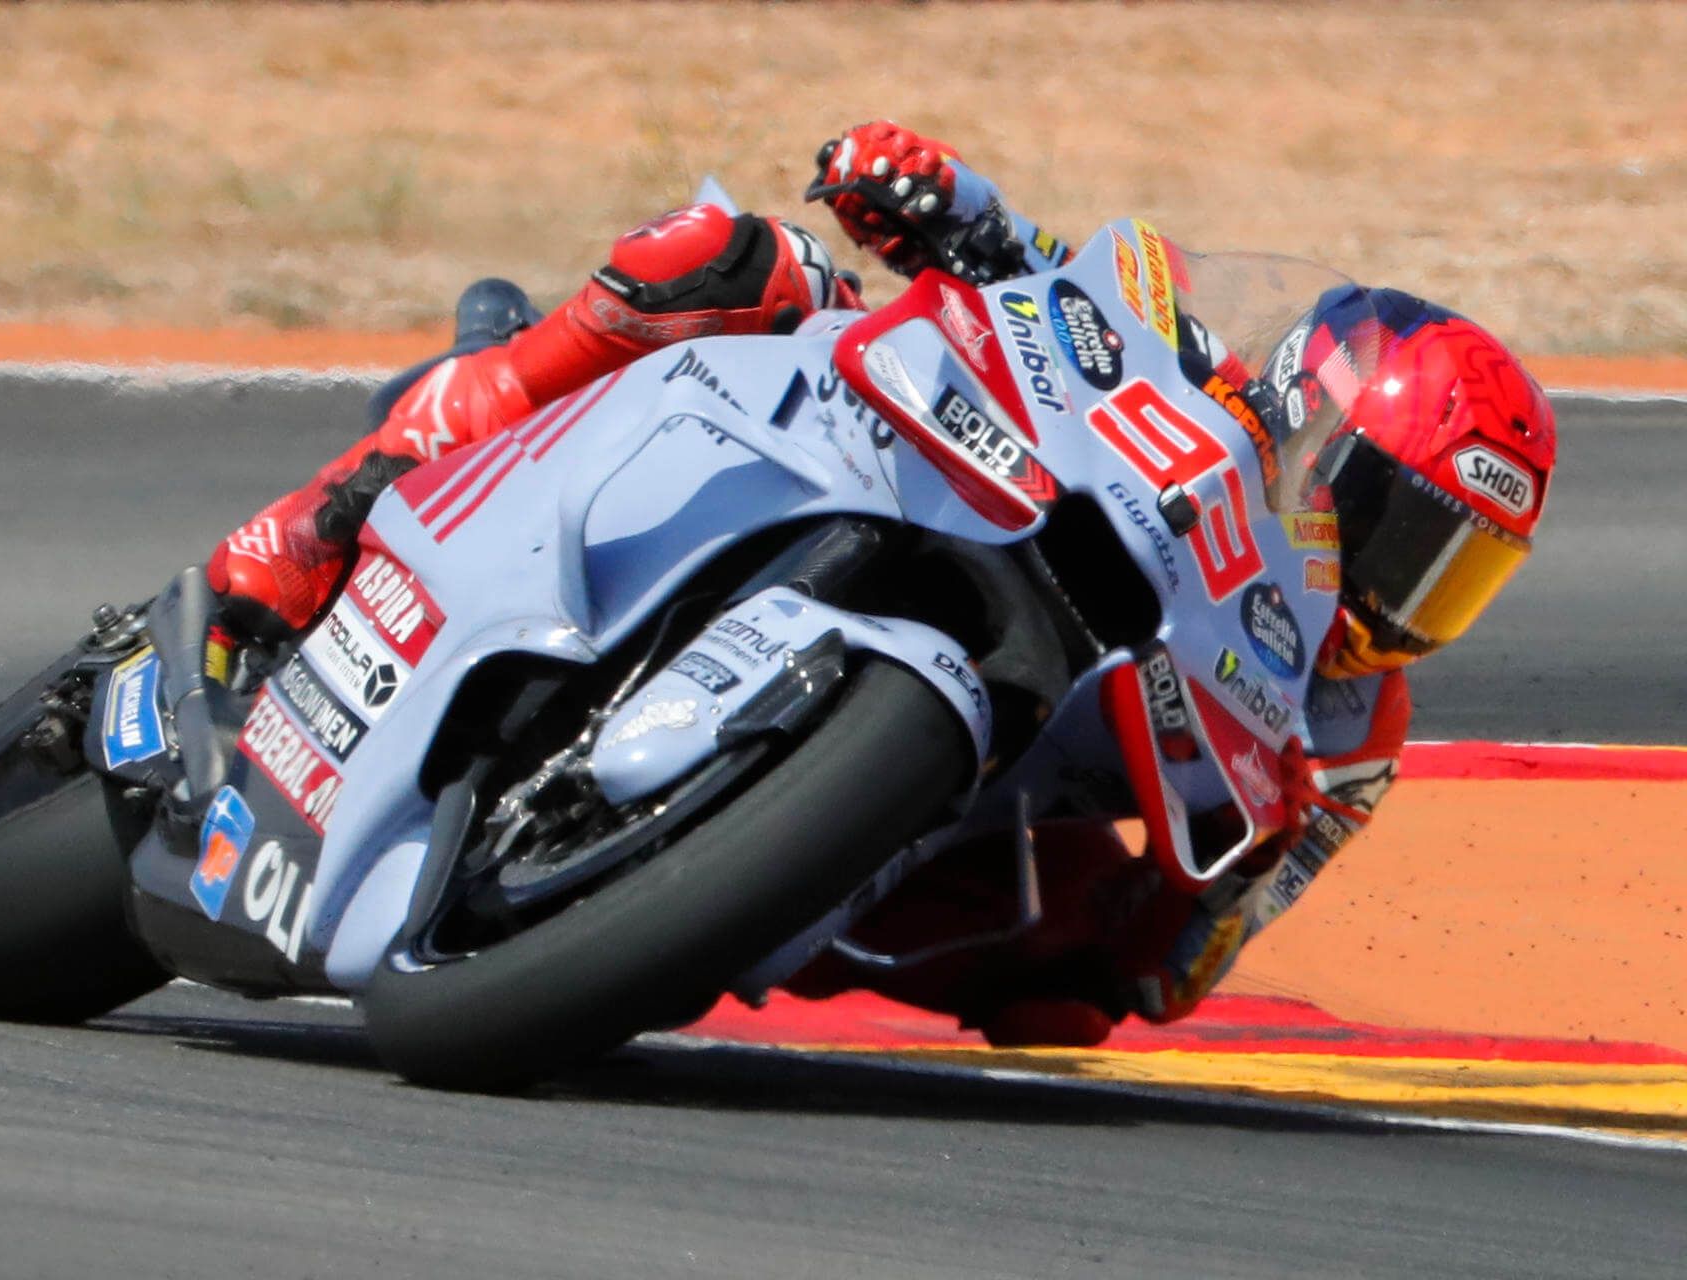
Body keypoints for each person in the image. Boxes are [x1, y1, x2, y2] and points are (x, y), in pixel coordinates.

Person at [206, 120, 1559, 1046]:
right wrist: (931, 191)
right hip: (906, 452)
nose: (1404, 598)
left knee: (1071, 1000)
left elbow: (1198, 950)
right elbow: (1048, 268)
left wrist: (1166, 926)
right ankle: (330, 515)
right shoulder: (1192, 344)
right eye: (1402, 536)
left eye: (1460, 577)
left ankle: (696, 886)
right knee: (730, 256)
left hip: (972, 795)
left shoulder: (1353, 735)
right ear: (1312, 422)